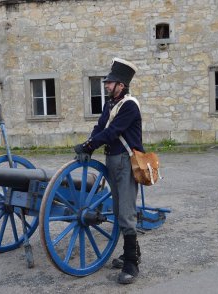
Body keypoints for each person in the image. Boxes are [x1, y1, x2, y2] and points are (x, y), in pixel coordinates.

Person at [74, 58, 143, 284]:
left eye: (110, 82)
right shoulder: (110, 105)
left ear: (121, 85)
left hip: (126, 160)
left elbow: (113, 132)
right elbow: (100, 127)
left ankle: (132, 264)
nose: (106, 85)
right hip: (112, 160)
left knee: (125, 211)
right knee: (117, 208)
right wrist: (88, 145)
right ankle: (133, 253)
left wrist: (89, 145)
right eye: (107, 82)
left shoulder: (130, 105)